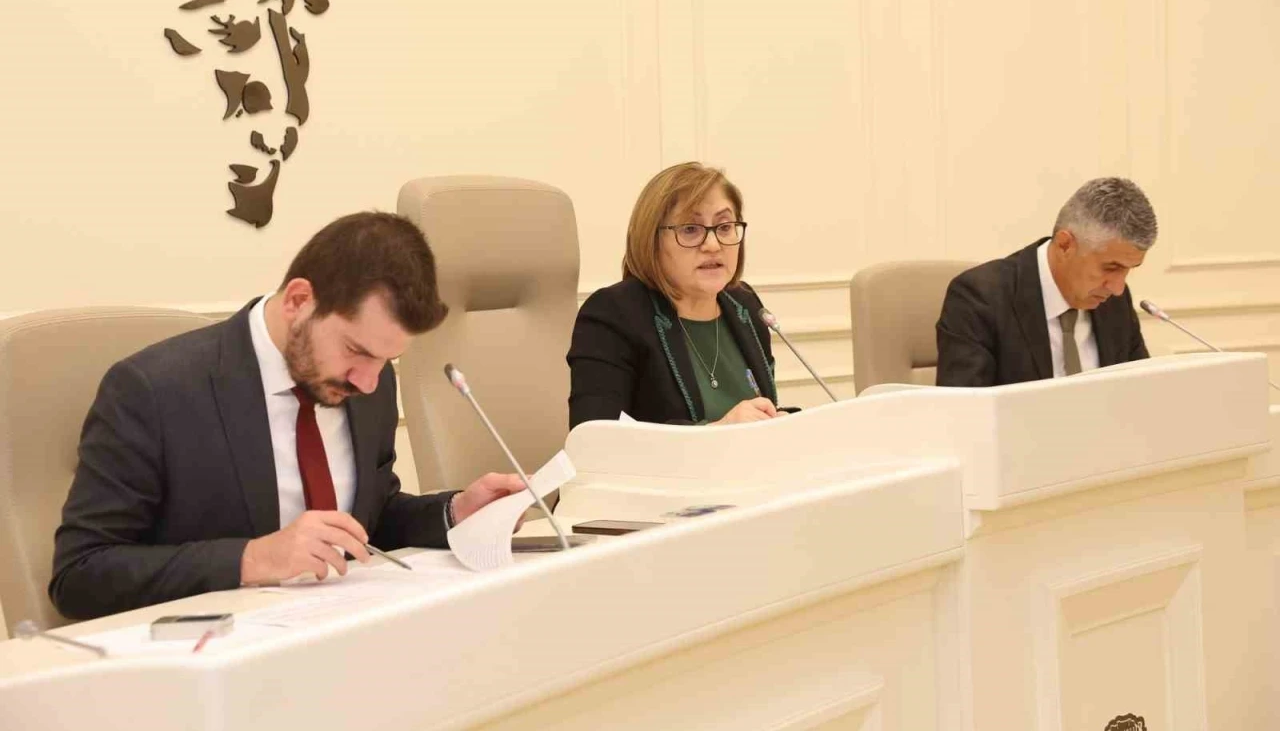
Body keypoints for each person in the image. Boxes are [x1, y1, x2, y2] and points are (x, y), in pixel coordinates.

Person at [50, 212, 524, 620]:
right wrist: (252, 558)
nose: (368, 382)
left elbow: (367, 521)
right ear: (299, 301)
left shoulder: (367, 384)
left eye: (387, 361)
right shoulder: (153, 390)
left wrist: (454, 513)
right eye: (356, 351)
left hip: (343, 634)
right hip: (215, 660)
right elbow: (80, 575)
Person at [568, 162, 784, 427]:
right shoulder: (614, 315)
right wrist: (715, 432)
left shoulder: (744, 305)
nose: (713, 244)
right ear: (652, 240)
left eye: (725, 227)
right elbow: (596, 440)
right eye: (690, 229)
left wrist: (782, 424)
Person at [935, 177, 1157, 387]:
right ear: (1065, 245)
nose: (1117, 288)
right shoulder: (979, 299)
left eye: (1129, 270)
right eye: (1111, 267)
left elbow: (1140, 394)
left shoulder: (1115, 303)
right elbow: (965, 409)